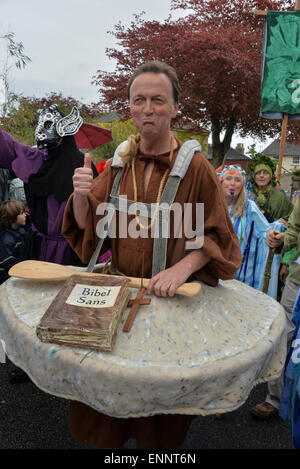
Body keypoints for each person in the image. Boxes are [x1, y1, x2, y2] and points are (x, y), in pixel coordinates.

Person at [62, 60, 241, 449]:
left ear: (175, 107)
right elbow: (91, 226)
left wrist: (184, 267)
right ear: (129, 106)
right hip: (117, 297)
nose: (147, 108)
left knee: (159, 422)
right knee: (103, 409)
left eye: (157, 100)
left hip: (170, 305)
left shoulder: (197, 168)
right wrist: (79, 196)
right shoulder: (119, 165)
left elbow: (218, 236)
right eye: (139, 99)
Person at [0, 104, 99, 267]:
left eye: (47, 125)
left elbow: (96, 212)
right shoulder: (35, 159)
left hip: (72, 250)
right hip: (38, 248)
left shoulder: (83, 166)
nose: (42, 130)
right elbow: (8, 146)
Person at [250, 201, 299, 420]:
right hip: (297, 282)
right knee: (285, 336)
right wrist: (280, 241)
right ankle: (275, 398)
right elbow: (294, 231)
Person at [218, 164, 284, 298]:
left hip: (242, 274)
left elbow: (265, 232)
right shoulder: (212, 205)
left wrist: (273, 232)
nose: (232, 183)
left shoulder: (249, 208)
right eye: (228, 179)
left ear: (242, 186)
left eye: (237, 180)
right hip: (216, 269)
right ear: (221, 182)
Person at [246, 152, 293, 223]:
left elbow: (292, 219)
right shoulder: (247, 195)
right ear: (254, 177)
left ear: (270, 177)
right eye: (258, 173)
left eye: (265, 173)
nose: (261, 176)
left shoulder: (280, 197)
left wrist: (283, 223)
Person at [0, 200, 27, 284]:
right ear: (12, 217)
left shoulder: (21, 231)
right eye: (22, 213)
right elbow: (8, 265)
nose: (25, 215)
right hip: (10, 279)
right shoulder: (6, 241)